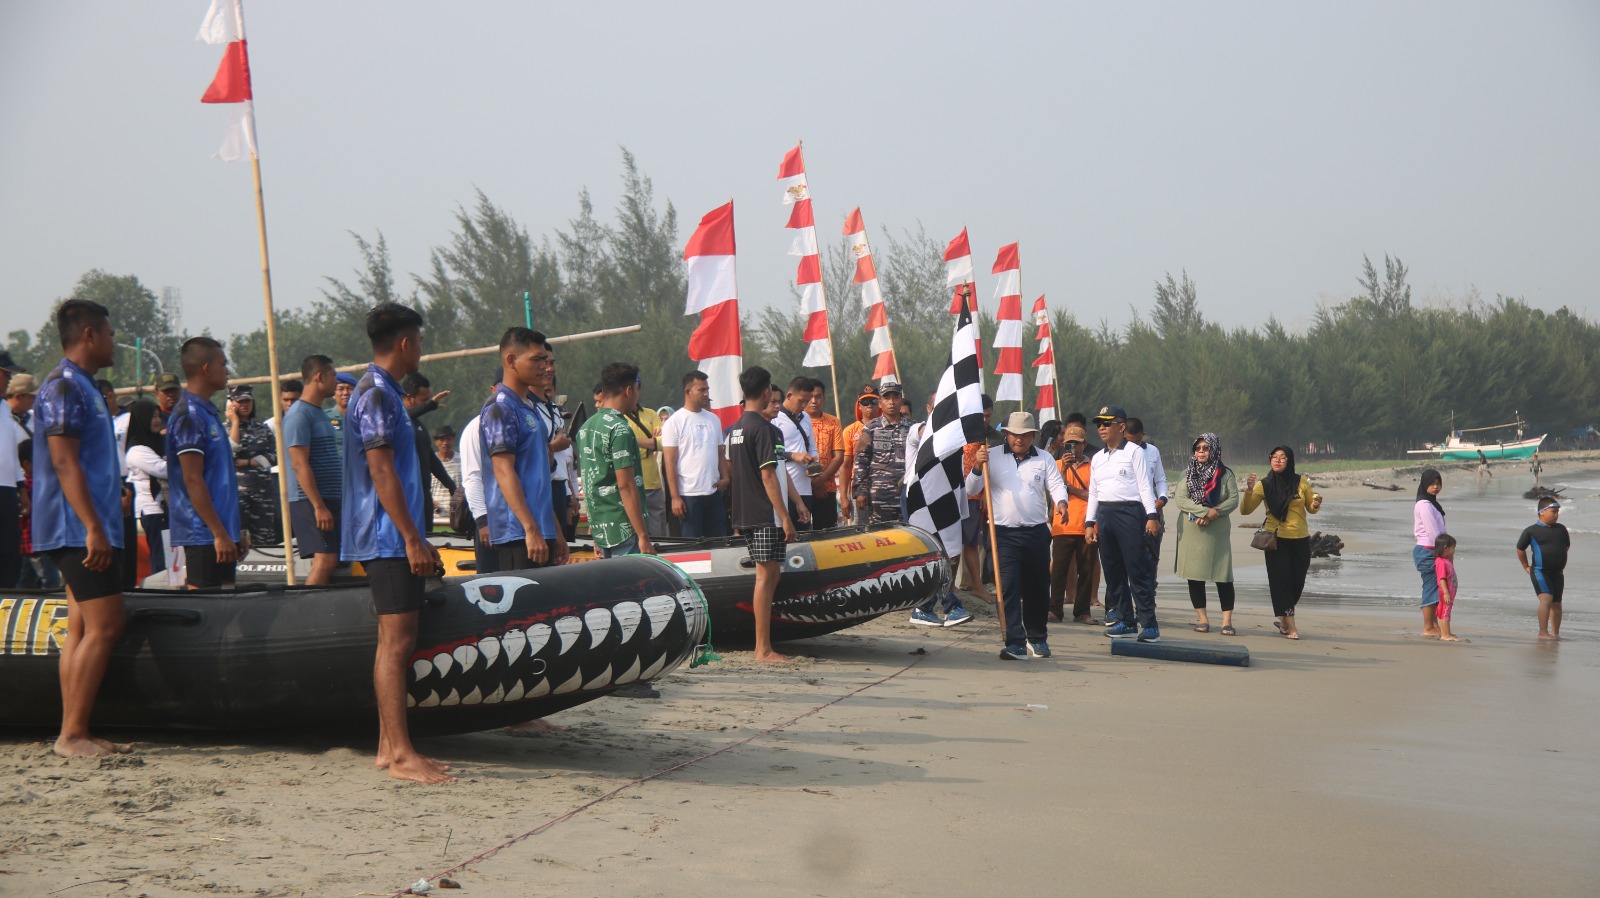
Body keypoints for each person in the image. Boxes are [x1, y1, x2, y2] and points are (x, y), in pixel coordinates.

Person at [341, 302, 450, 784]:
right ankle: (402, 754)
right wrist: (412, 537)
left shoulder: (379, 391)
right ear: (405, 343)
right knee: (397, 643)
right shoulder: (378, 394)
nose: (422, 350)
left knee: (393, 640)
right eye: (420, 341)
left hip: (389, 533)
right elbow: (380, 470)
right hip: (388, 536)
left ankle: (389, 747)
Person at [32, 299, 130, 757]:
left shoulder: (84, 387)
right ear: (89, 334)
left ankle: (75, 730)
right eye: (109, 333)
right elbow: (62, 459)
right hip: (77, 528)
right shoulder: (64, 386)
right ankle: (72, 734)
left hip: (87, 524)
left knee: (81, 627)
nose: (114, 341)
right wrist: (93, 526)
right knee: (106, 625)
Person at [968, 413, 1070, 660]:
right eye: (1015, 435)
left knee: (1037, 587)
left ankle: (1037, 638)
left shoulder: (1044, 458)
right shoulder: (990, 456)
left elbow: (1056, 485)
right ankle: (1015, 641)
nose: (1020, 440)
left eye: (1025, 435)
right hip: (1002, 534)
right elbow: (971, 488)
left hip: (1036, 532)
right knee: (1009, 585)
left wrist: (1062, 503)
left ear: (1033, 436)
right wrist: (976, 466)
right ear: (1006, 434)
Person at [727, 366, 800, 662]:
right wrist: (784, 516)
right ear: (766, 391)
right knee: (766, 576)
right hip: (764, 512)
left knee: (769, 575)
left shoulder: (735, 429)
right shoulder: (764, 429)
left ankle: (764, 645)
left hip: (745, 510)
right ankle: (763, 648)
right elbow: (769, 476)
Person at [481, 328, 566, 571]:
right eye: (536, 359)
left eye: (547, 360)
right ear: (511, 361)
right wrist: (530, 529)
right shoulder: (501, 408)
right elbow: (503, 470)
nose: (545, 367)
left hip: (541, 529)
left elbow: (538, 478)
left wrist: (555, 530)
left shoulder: (528, 408)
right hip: (518, 534)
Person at [168, 338, 243, 590]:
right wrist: (218, 533)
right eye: (223, 364)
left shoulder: (208, 413)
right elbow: (192, 479)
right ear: (206, 369)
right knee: (206, 611)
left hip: (221, 531)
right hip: (203, 534)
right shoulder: (188, 416)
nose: (227, 370)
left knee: (227, 612)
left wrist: (233, 530)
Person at [1085, 405, 1162, 642]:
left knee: (1137, 570)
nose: (1102, 428)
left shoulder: (1134, 452)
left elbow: (1144, 486)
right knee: (1113, 572)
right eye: (1099, 424)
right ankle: (1126, 621)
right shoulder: (1097, 458)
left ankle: (1149, 624)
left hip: (1130, 513)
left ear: (1121, 426)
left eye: (1107, 423)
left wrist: (1152, 516)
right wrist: (1090, 522)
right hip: (1106, 516)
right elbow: (1094, 493)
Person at [1241, 446, 1322, 640]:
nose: (1277, 460)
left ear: (1290, 460)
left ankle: (1283, 618)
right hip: (1276, 540)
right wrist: (1249, 490)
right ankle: (1291, 626)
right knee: (1282, 583)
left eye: (1282, 457)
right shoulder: (1265, 484)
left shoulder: (1300, 482)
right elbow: (1245, 510)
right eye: (1274, 457)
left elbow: (1311, 508)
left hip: (1301, 539)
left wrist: (1316, 503)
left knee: (1297, 583)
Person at [907, 394, 972, 628]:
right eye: (939, 407)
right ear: (928, 407)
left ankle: (926, 607)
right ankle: (949, 605)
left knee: (950, 555)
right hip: (924, 503)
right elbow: (924, 433)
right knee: (934, 556)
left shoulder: (957, 436)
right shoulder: (918, 430)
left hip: (950, 503)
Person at [577, 363, 654, 558]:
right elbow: (626, 486)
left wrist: (595, 533)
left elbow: (590, 481)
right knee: (629, 587)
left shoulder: (585, 428)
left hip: (601, 529)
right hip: (625, 529)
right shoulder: (620, 429)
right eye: (637, 390)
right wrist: (643, 535)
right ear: (629, 391)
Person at [283, 355, 343, 585]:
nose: (336, 381)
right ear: (320, 377)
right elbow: (299, 463)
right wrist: (318, 506)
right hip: (310, 501)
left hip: (327, 498)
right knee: (325, 560)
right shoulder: (299, 415)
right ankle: (305, 612)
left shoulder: (318, 412)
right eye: (333, 375)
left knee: (330, 559)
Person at [1173, 433, 1240, 635]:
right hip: (1192, 531)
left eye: (1205, 448)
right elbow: (1181, 500)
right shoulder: (1186, 473)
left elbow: (1233, 499)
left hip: (1217, 531)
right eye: (1198, 448)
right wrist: (1204, 511)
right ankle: (1202, 619)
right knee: (1195, 576)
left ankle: (1226, 621)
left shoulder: (1225, 474)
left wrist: (1214, 513)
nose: (1201, 452)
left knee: (1223, 576)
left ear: (1214, 449)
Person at [662, 370, 731, 538]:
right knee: (694, 547)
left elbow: (720, 453)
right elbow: (669, 462)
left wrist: (725, 477)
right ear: (688, 392)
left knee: (718, 543)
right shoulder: (674, 422)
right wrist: (675, 497)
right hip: (688, 496)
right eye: (701, 390)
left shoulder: (713, 419)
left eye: (707, 389)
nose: (706, 394)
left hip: (713, 493)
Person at [1048, 422, 1096, 624]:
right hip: (1062, 525)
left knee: (1086, 570)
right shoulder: (1056, 465)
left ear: (1084, 444)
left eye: (1077, 444)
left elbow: (1096, 495)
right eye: (1069, 444)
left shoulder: (1094, 466)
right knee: (1059, 570)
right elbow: (1053, 491)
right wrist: (1064, 469)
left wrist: (1073, 490)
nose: (1073, 448)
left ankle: (1083, 611)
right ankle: (1055, 610)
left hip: (1087, 524)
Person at [226, 385, 279, 547]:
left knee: (265, 541)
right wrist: (234, 422)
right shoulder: (224, 429)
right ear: (231, 403)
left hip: (263, 494)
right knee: (236, 540)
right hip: (238, 495)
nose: (245, 405)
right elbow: (232, 451)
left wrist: (249, 462)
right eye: (240, 401)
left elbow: (274, 457)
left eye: (248, 400)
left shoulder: (262, 428)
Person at [457, 373, 499, 575]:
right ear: (493, 390)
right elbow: (472, 477)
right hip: (491, 519)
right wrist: (483, 521)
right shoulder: (477, 426)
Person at [959, 394, 999, 603]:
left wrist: (985, 493)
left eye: (988, 416)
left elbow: (991, 468)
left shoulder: (992, 436)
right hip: (954, 494)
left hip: (975, 496)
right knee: (952, 543)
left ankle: (977, 586)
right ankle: (951, 587)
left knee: (972, 542)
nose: (985, 420)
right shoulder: (957, 431)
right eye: (981, 416)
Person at [853, 379, 910, 524]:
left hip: (907, 493)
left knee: (908, 537)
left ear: (901, 401)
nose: (891, 402)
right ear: (880, 403)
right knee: (881, 538)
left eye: (895, 397)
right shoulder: (871, 428)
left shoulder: (912, 429)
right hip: (880, 495)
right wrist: (861, 491)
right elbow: (861, 461)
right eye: (886, 398)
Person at [123, 400, 169, 579]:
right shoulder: (137, 450)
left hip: (166, 508)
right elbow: (163, 469)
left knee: (172, 557)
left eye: (159, 416)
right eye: (152, 417)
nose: (157, 420)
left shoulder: (158, 442)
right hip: (153, 510)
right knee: (161, 558)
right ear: (142, 419)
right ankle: (162, 592)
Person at [401, 372, 456, 518]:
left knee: (428, 538)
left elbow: (431, 459)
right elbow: (401, 416)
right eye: (423, 400)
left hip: (423, 496)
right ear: (408, 397)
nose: (427, 404)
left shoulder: (419, 426)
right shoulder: (396, 422)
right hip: (405, 498)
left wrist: (452, 487)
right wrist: (429, 405)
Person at [1517, 497, 1569, 640]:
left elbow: (1566, 546)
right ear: (1542, 512)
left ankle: (1556, 633)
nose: (1556, 514)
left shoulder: (1561, 529)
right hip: (1540, 571)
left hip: (1558, 573)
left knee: (1557, 603)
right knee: (1546, 599)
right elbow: (1520, 548)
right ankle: (1543, 632)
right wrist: (1526, 566)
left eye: (1558, 512)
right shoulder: (1531, 531)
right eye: (1553, 511)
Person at [619, 385, 667, 539]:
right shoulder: (619, 417)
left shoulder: (651, 413)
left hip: (653, 483)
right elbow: (622, 446)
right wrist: (649, 443)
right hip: (632, 483)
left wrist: (633, 440)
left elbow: (663, 443)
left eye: (638, 387)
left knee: (658, 535)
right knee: (635, 534)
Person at [773, 377, 817, 531]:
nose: (804, 406)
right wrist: (793, 456)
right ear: (789, 395)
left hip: (805, 487)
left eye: (807, 401)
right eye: (801, 401)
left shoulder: (806, 419)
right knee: (785, 536)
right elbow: (771, 453)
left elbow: (812, 448)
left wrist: (815, 465)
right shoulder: (775, 418)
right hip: (784, 488)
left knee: (804, 537)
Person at [16, 439, 61, 589]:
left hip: (34, 544)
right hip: (37, 543)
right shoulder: (31, 485)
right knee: (51, 581)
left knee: (27, 583)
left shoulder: (33, 484)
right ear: (28, 464)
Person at [1125, 418, 1169, 564]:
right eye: (1130, 441)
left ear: (1143, 435)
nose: (1135, 445)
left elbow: (1160, 479)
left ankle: (1151, 585)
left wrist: (1162, 499)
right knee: (1130, 558)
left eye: (1138, 441)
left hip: (1152, 511)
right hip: (1129, 513)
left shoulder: (1152, 451)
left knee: (1151, 557)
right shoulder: (1118, 454)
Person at [0, 354, 26, 588]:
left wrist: (22, 488)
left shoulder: (5, 409)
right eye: (5, 373)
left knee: (10, 551)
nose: (9, 379)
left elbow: (11, 453)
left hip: (7, 490)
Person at [1411, 469, 1446, 637]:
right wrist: (1444, 552)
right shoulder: (1424, 505)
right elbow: (1433, 533)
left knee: (1435, 587)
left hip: (1432, 549)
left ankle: (1433, 624)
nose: (1436, 487)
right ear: (1425, 484)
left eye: (1438, 483)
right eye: (1432, 483)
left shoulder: (1430, 503)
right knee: (1432, 587)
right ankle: (1428, 627)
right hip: (1428, 550)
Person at [840, 384, 881, 526]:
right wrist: (844, 497)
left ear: (880, 404)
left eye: (874, 401)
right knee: (861, 530)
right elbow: (845, 466)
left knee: (886, 530)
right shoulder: (849, 431)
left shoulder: (887, 427)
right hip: (860, 490)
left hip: (883, 489)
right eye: (865, 402)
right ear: (859, 405)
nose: (869, 405)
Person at [806, 381, 844, 529]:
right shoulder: (798, 421)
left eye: (818, 396)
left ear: (824, 399)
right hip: (802, 488)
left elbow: (838, 457)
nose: (814, 401)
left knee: (826, 535)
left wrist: (820, 480)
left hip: (826, 488)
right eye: (810, 397)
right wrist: (814, 482)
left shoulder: (833, 422)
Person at [1433, 533, 1460, 642]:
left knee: (1445, 611)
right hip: (1446, 591)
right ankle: (1445, 634)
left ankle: (1446, 632)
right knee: (1445, 612)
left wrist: (1451, 555)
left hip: (1449, 591)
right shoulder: (1441, 562)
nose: (1454, 550)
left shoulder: (1446, 560)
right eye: (1453, 548)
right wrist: (1446, 593)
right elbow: (1442, 579)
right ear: (1446, 548)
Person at [431, 424, 460, 519]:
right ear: (436, 442)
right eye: (442, 440)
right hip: (436, 515)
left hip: (457, 514)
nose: (445, 443)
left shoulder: (463, 460)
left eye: (448, 439)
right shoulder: (429, 460)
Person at [328, 372, 356, 451]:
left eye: (350, 388)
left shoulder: (364, 418)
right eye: (340, 389)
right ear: (333, 394)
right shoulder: (325, 418)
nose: (346, 393)